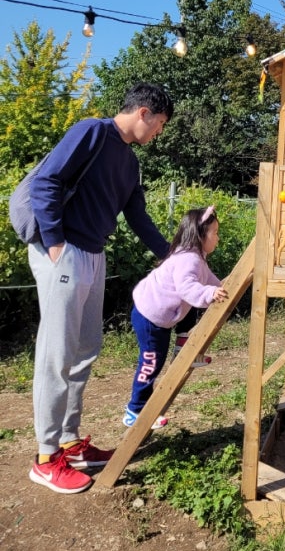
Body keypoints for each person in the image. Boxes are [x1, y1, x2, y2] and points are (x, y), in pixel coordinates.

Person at [27, 82, 174, 494]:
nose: (159, 132)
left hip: (94, 254)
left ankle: (69, 442)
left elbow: (137, 216)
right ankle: (45, 457)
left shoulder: (129, 162)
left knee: (84, 350)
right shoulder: (92, 132)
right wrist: (55, 242)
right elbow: (45, 182)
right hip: (64, 251)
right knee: (57, 354)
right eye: (160, 124)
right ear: (143, 113)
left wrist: (171, 255)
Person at [123, 205, 228, 428]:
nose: (218, 238)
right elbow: (187, 288)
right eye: (215, 233)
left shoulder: (197, 257)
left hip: (162, 316)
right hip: (149, 315)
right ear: (200, 235)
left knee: (197, 299)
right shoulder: (188, 259)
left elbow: (207, 278)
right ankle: (135, 409)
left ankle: (183, 344)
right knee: (152, 361)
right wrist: (210, 293)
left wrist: (219, 287)